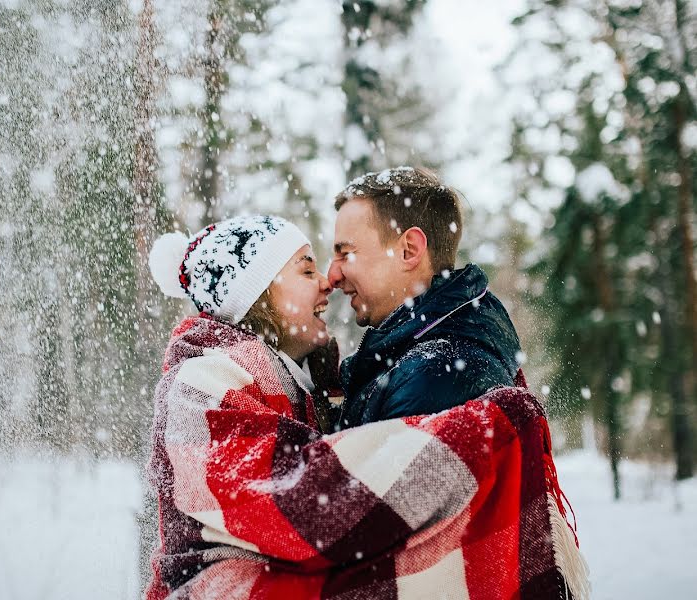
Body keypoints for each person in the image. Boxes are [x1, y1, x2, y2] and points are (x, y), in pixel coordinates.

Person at [145, 215, 588, 599]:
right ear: (257, 295)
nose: (326, 283)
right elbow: (301, 503)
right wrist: (482, 430)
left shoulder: (304, 385)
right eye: (306, 269)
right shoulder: (198, 383)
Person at [327, 166, 525, 427]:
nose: (332, 275)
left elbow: (355, 467)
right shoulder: (425, 353)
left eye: (346, 253)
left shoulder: (435, 373)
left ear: (409, 250)